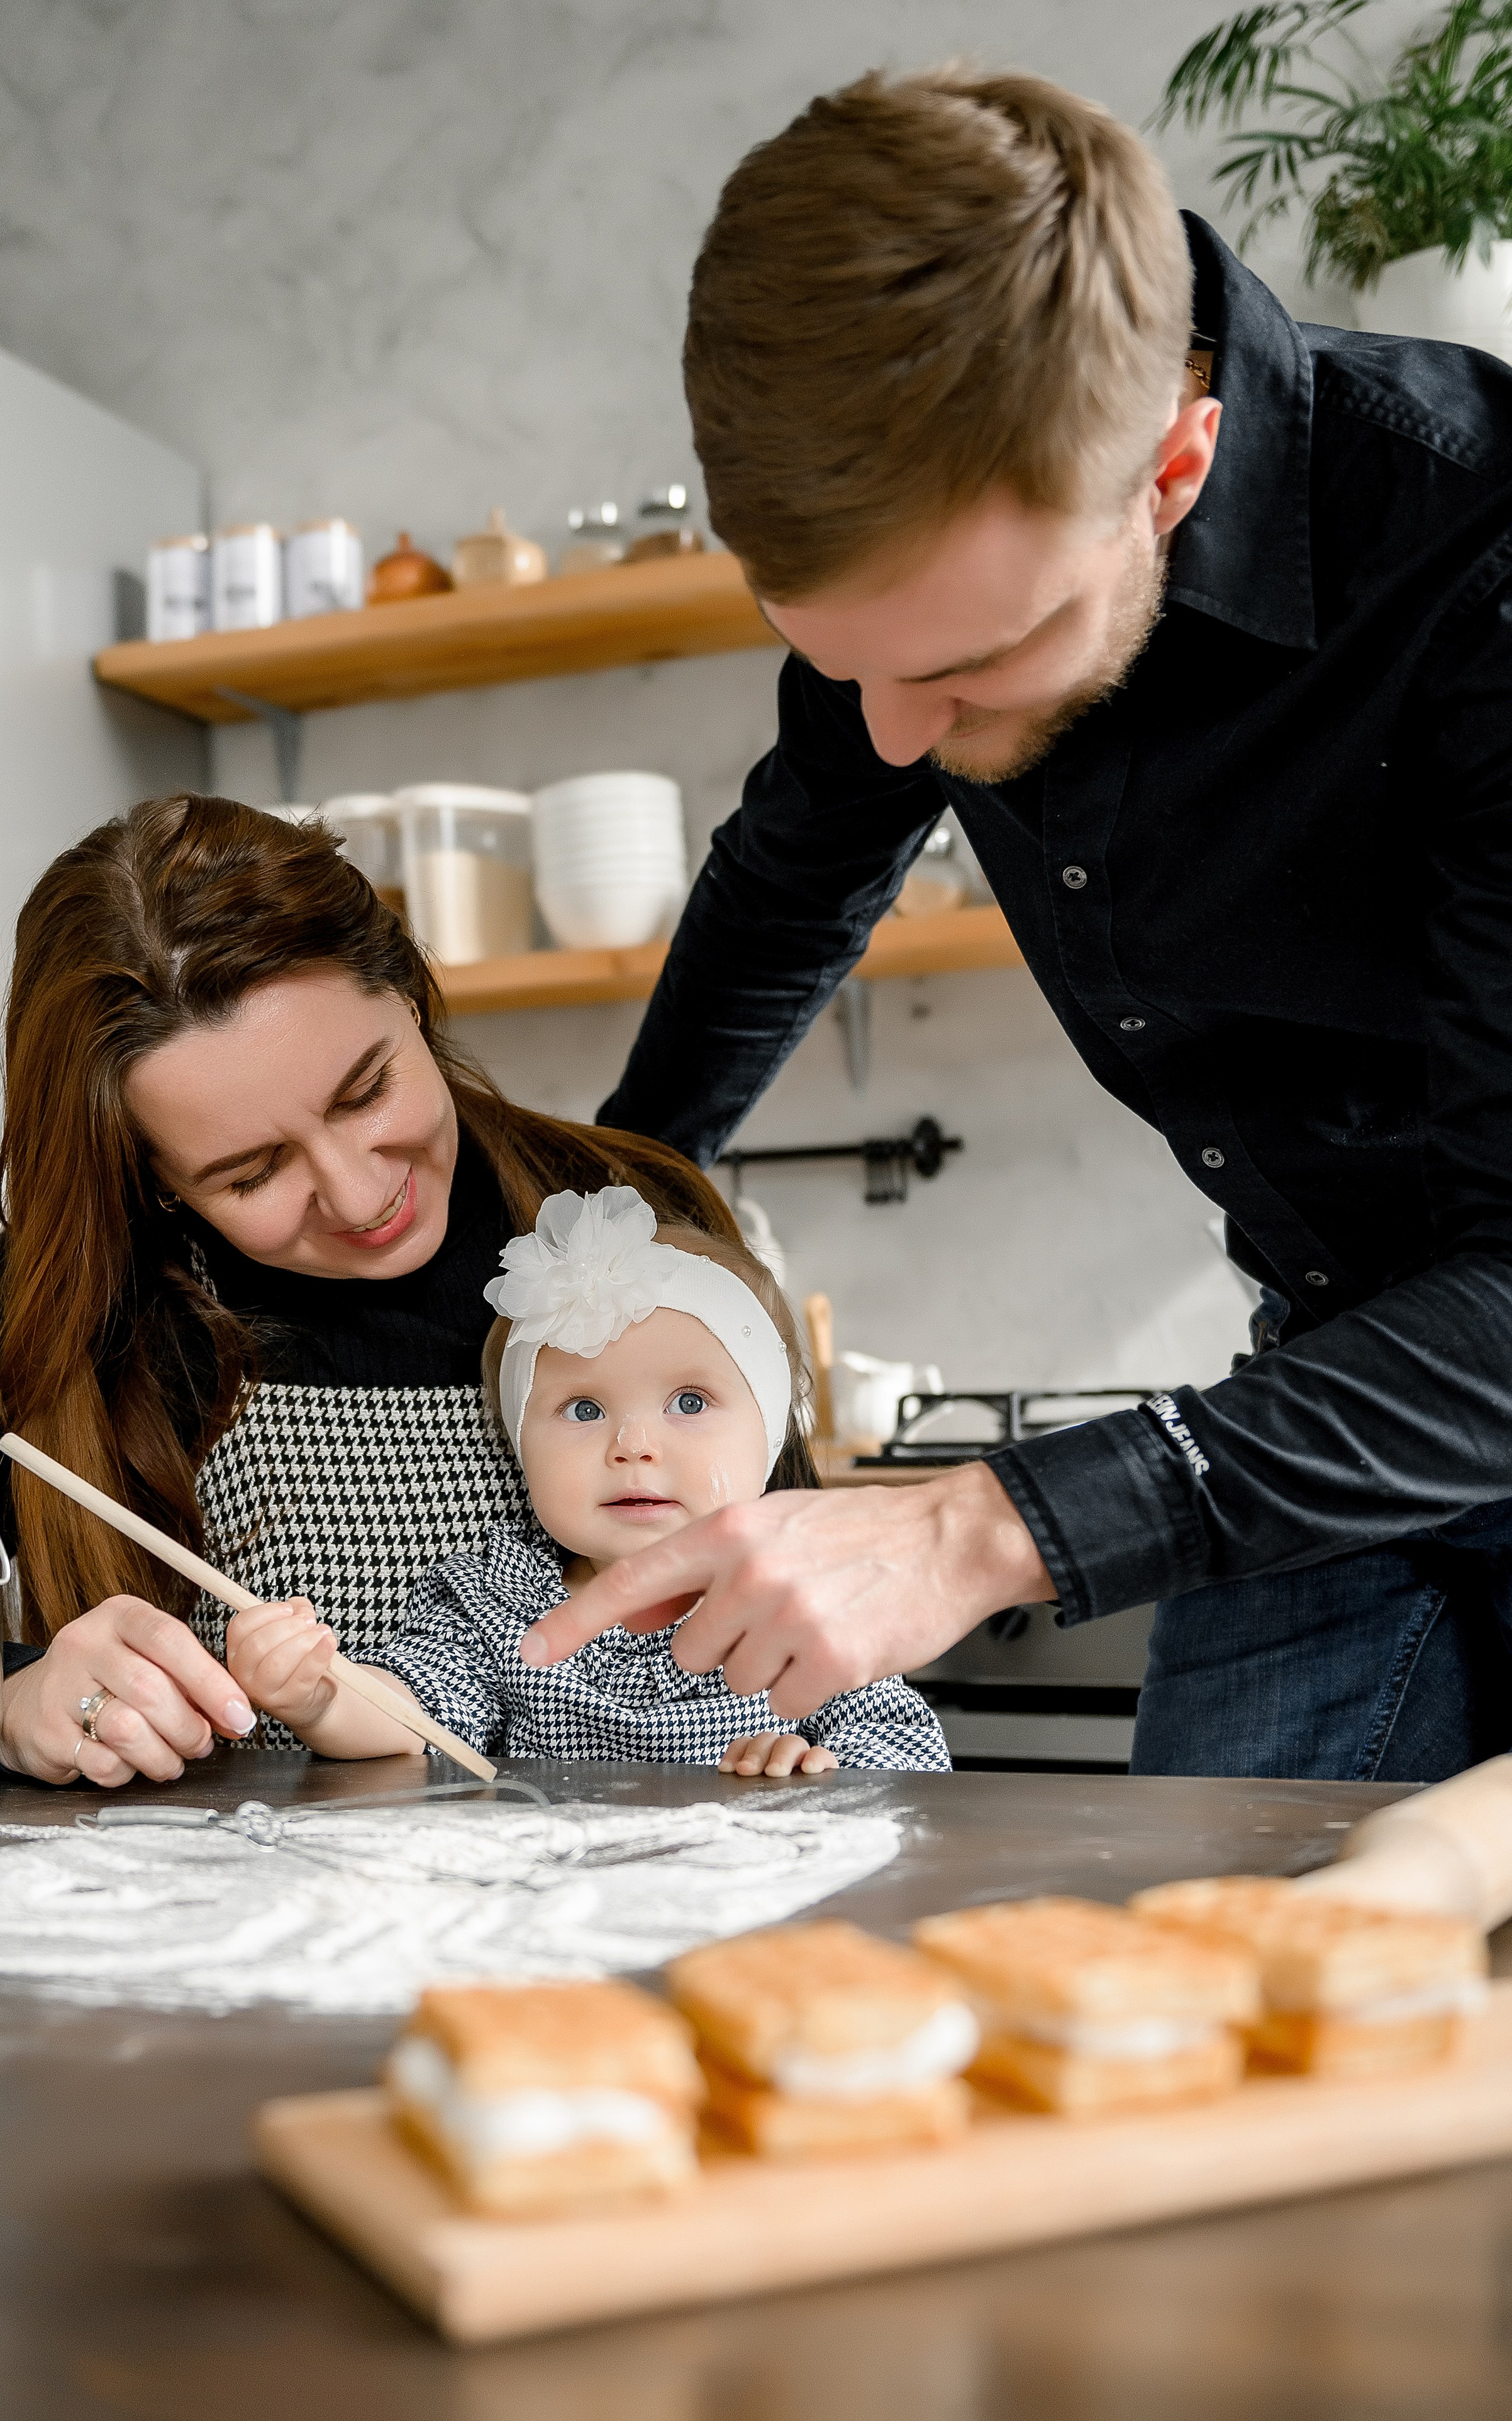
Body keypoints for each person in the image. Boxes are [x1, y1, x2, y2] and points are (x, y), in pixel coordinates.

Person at [523, 65, 1512, 1785]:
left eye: (968, 670)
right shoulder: (923, 591)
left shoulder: (1476, 567)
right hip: (1323, 1379)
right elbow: (795, 872)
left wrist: (974, 1534)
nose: (897, 737)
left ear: (1176, 468)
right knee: (1185, 1990)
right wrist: (600, 1217)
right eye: (844, 667)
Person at [0, 793, 740, 1787]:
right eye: (251, 1174)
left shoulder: (634, 1212)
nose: (359, 1195)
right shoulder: (68, 1296)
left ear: (411, 996)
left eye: (367, 1091)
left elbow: (798, 1599)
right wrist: (8, 1694)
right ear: (155, 1178)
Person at [224, 1187, 948, 1772]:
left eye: (688, 1403)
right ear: (518, 1442)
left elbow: (908, 1743)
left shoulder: (801, 1590)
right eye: (583, 1408)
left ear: (770, 1433)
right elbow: (413, 1715)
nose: (633, 1446)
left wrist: (820, 1768)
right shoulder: (493, 1598)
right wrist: (320, 1695)